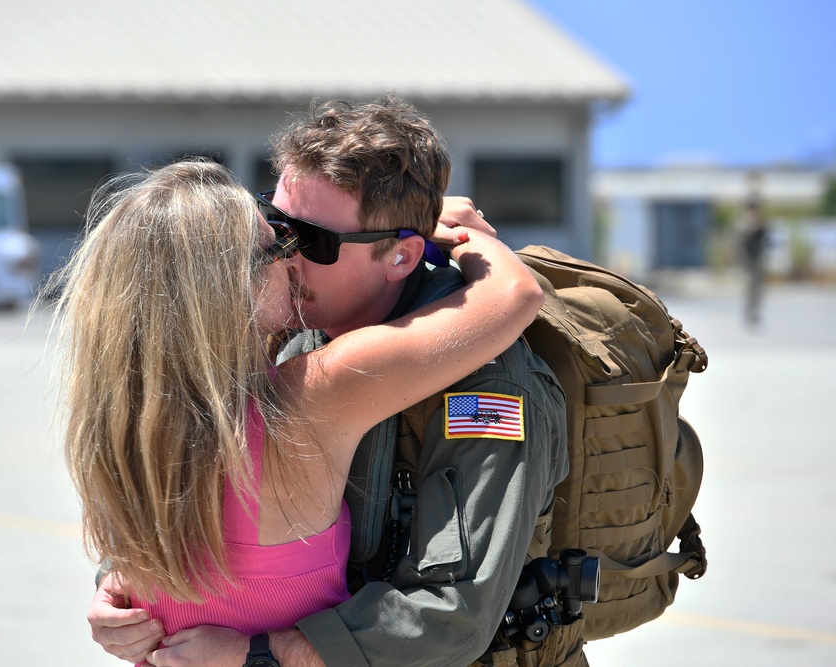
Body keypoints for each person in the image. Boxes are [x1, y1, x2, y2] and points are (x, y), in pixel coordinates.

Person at [88, 95, 571, 667]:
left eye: (312, 240)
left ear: (401, 255)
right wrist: (123, 584)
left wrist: (263, 655)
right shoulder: (281, 335)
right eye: (277, 224)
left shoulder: (483, 380)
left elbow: (453, 611)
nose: (286, 254)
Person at [739, 200, 769, 326]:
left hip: (757, 258)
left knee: (758, 287)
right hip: (748, 259)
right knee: (751, 285)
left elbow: (763, 237)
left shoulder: (758, 222)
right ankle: (749, 311)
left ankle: (755, 310)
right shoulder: (744, 223)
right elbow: (741, 242)